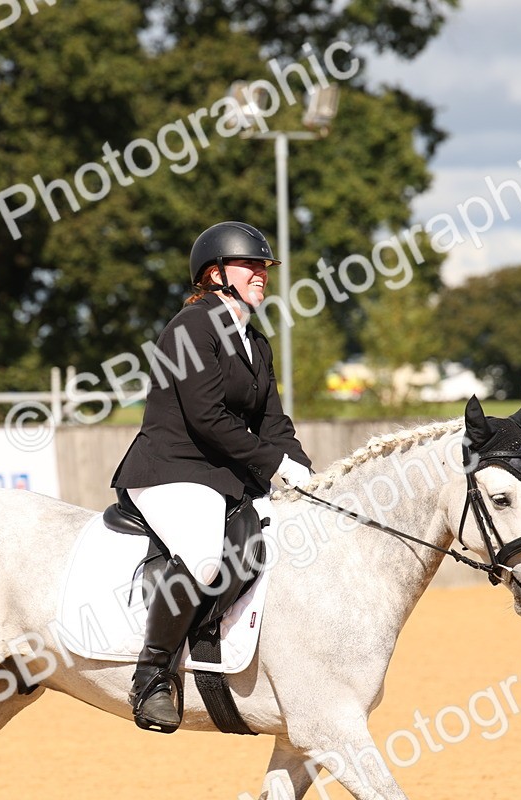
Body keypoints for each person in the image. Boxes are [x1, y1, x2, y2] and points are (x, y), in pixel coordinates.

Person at [110, 220, 313, 733]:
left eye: (264, 266)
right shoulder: (191, 327)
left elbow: (273, 423)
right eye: (251, 265)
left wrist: (305, 472)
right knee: (203, 554)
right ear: (215, 273)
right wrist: (273, 464)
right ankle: (153, 675)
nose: (262, 273)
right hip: (171, 468)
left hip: (223, 473)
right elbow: (207, 417)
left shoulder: (256, 343)